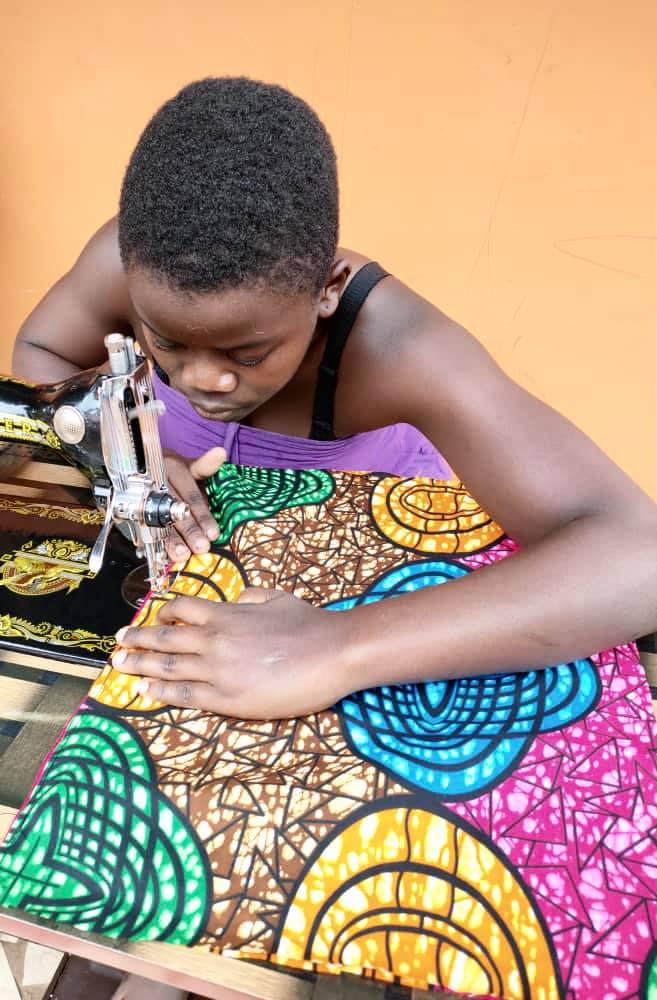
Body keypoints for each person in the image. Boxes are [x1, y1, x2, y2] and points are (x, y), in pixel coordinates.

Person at [11, 76, 657, 1000]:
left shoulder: (398, 346)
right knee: (110, 878)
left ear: (327, 290)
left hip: (353, 566)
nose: (203, 382)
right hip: (202, 552)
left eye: (246, 353)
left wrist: (336, 646)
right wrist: (134, 467)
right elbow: (41, 358)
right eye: (167, 345)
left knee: (267, 849)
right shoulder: (133, 257)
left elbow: (634, 554)